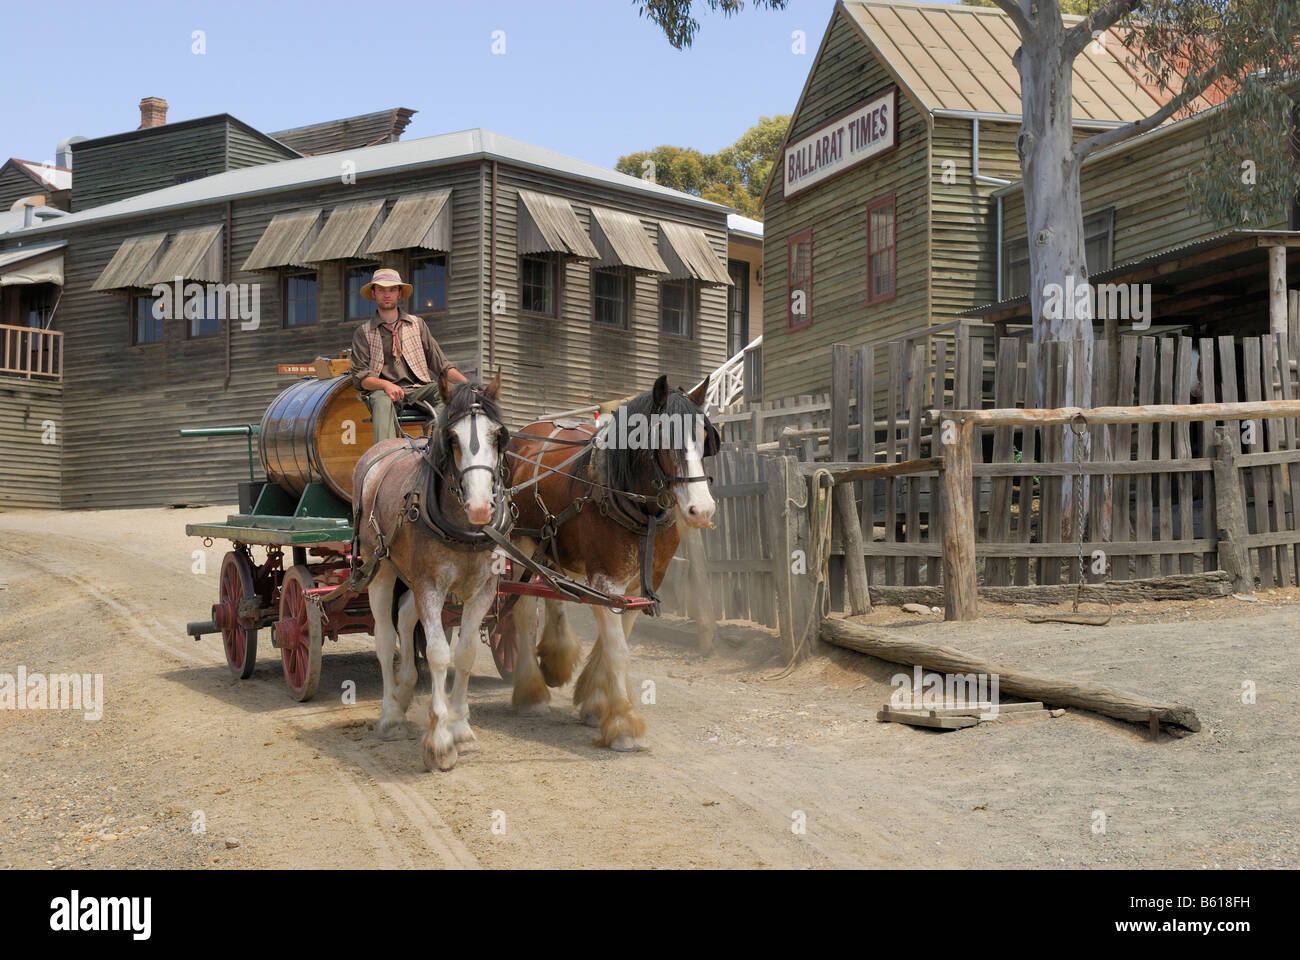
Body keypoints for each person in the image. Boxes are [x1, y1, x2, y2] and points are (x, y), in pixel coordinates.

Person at [349, 268, 469, 443]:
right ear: (374, 294)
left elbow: (441, 365)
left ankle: (442, 447)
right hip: (384, 393)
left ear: (399, 293)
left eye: (391, 289)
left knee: (449, 393)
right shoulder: (364, 332)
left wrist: (469, 386)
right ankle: (385, 455)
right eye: (381, 290)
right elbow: (361, 378)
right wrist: (385, 385)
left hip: (419, 389)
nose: (386, 294)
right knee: (381, 402)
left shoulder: (417, 324)